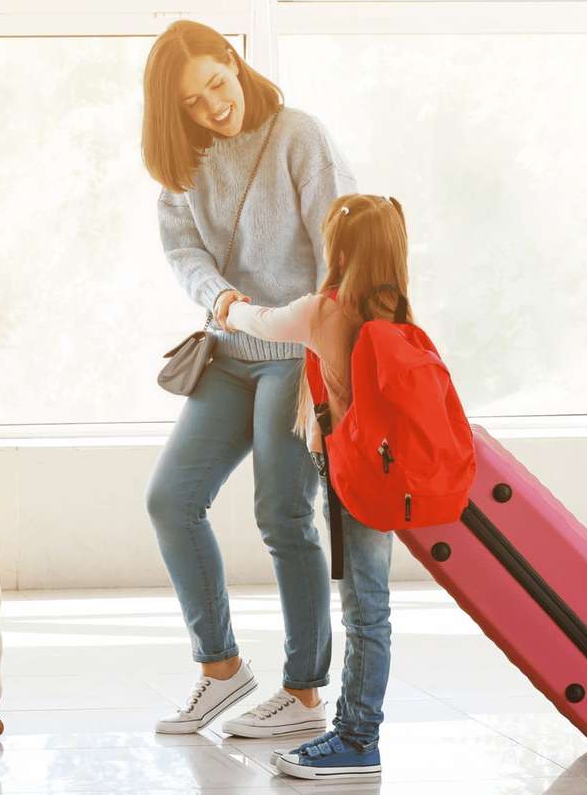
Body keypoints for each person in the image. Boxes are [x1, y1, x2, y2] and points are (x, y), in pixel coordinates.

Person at [140, 21, 356, 739]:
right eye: (194, 103)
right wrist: (223, 300)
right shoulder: (185, 163)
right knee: (171, 500)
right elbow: (183, 252)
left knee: (283, 516)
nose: (214, 107)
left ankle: (302, 693)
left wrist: (324, 349)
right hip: (229, 348)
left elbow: (340, 245)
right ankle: (222, 670)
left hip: (296, 356)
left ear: (234, 62)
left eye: (217, 84)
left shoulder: (299, 136)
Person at [227, 194, 414, 781]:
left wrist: (227, 306)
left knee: (364, 609)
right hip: (392, 473)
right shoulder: (399, 313)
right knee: (371, 605)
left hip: (353, 475)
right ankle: (355, 732)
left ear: (337, 248)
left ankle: (358, 739)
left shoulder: (323, 311)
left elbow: (259, 323)